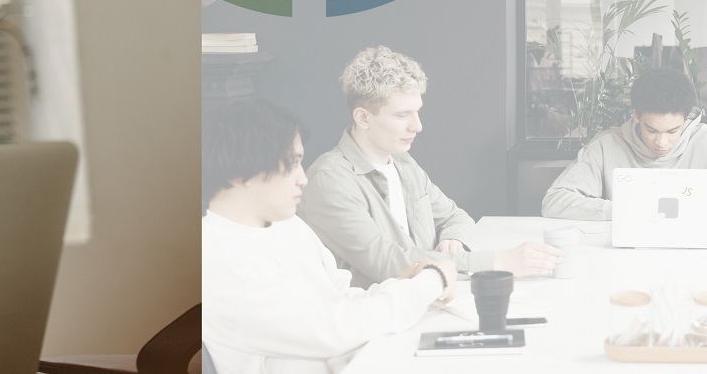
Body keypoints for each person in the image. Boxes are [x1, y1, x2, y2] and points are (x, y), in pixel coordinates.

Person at [202, 97, 452, 374]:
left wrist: (405, 287)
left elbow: (340, 297)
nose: (303, 178)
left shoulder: (288, 226)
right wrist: (430, 281)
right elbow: (332, 329)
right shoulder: (219, 259)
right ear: (241, 172)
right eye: (292, 163)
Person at [300, 46, 560, 287]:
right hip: (377, 324)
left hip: (426, 302)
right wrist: (499, 263)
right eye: (402, 115)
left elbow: (455, 217)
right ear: (363, 117)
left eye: (417, 112)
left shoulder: (404, 164)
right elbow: (389, 263)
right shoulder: (329, 181)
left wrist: (453, 240)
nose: (417, 126)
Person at [543, 66, 705, 220]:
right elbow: (553, 202)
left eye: (672, 131)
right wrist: (624, 210)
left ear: (686, 118)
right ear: (636, 115)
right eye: (651, 130)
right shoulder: (605, 146)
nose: (661, 142)